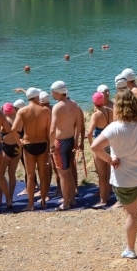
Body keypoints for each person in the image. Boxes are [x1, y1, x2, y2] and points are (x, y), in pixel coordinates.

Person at [91, 90, 137, 259]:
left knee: (132, 214)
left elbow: (95, 147)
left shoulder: (114, 128)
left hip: (124, 178)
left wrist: (110, 160)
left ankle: (131, 249)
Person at [11, 87, 52, 211]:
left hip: (28, 145)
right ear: (36, 97)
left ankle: (31, 204)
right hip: (42, 144)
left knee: (30, 175)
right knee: (43, 175)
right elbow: (49, 131)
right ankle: (44, 201)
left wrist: (19, 143)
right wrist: (50, 146)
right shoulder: (45, 111)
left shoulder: (22, 111)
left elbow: (14, 130)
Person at [49, 81, 84, 211]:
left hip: (60, 141)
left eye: (52, 91)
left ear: (57, 92)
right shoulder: (74, 104)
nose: (51, 94)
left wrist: (51, 146)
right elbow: (79, 125)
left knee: (62, 173)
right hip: (70, 140)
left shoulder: (57, 107)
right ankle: (72, 199)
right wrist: (76, 140)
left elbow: (53, 129)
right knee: (68, 170)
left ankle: (66, 203)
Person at [86, 91, 114, 207]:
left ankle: (103, 200)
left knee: (101, 174)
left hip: (100, 145)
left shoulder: (96, 115)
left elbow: (89, 133)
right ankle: (108, 194)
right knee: (108, 171)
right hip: (109, 143)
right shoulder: (110, 111)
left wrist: (92, 144)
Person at [0, 102, 21, 207]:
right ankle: (10, 198)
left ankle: (0, 199)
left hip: (5, 150)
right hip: (16, 150)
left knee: (0, 176)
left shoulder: (3, 121)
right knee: (12, 175)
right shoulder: (19, 120)